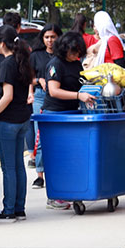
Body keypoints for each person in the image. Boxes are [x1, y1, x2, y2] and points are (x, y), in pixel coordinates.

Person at [0, 25, 34, 222]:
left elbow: (7, 96)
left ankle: (8, 210)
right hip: (23, 119)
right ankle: (19, 208)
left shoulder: (6, 64)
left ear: (2, 43)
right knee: (18, 165)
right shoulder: (22, 61)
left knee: (8, 167)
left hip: (8, 121)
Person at [42, 32, 89, 209]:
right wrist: (78, 95)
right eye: (73, 51)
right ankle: (55, 195)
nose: (76, 54)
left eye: (78, 51)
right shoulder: (55, 65)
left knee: (71, 156)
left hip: (72, 113)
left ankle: (69, 189)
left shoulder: (76, 64)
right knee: (56, 156)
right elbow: (53, 90)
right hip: (55, 114)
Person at [28, 23, 60, 189]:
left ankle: (58, 172)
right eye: (47, 37)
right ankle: (40, 174)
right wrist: (39, 81)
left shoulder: (62, 55)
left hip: (60, 97)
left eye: (53, 37)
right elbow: (29, 78)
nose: (50, 40)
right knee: (39, 135)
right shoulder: (36, 55)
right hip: (41, 96)